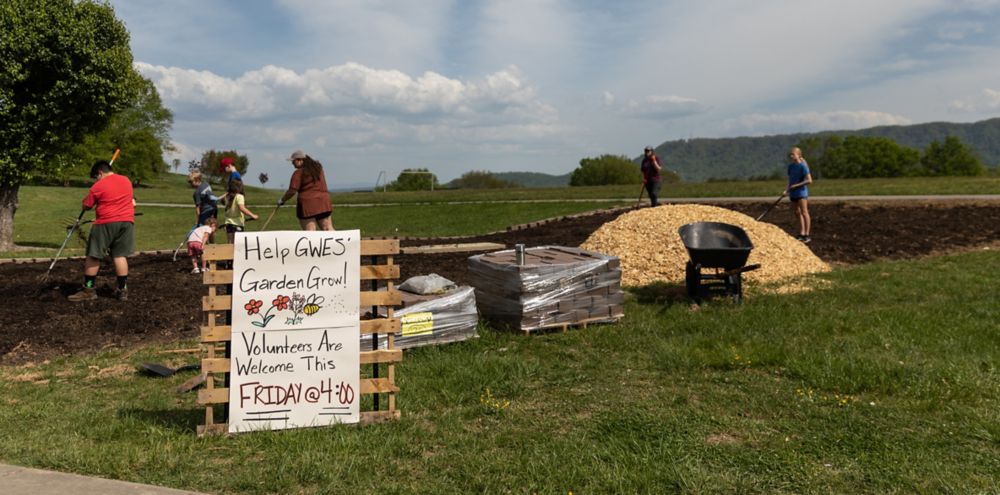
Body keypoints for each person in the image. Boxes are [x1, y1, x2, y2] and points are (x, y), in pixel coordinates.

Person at [68, 160, 135, 302]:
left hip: (106, 223)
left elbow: (86, 205)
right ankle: (122, 290)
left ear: (100, 173)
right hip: (127, 222)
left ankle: (88, 290)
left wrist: (89, 199)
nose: (96, 180)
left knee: (94, 255)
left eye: (96, 177)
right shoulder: (126, 180)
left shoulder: (98, 186)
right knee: (120, 256)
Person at [278, 150, 333, 231]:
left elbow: (292, 190)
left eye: (294, 161)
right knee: (328, 229)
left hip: (307, 206)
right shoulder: (319, 170)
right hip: (323, 203)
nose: (292, 163)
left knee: (310, 231)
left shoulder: (298, 173)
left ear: (300, 160)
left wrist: (282, 200)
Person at [786, 147, 813, 243]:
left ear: (799, 155)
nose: (791, 156)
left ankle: (807, 234)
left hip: (801, 192)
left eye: (793, 154)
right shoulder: (791, 167)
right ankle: (801, 233)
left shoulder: (803, 166)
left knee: (804, 212)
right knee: (797, 213)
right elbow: (790, 180)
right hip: (793, 193)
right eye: (791, 154)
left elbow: (809, 180)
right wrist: (787, 190)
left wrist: (796, 185)